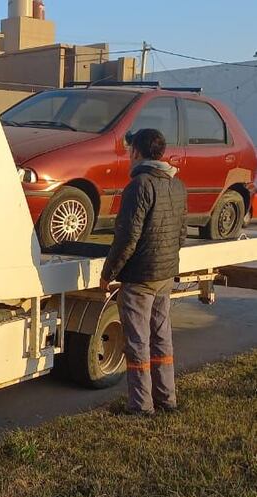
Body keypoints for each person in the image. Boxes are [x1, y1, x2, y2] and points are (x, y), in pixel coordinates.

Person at [100, 128, 188, 416]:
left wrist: (108, 273)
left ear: (136, 152)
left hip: (139, 278)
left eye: (130, 151)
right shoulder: (177, 185)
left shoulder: (138, 186)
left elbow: (127, 238)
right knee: (161, 338)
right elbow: (181, 234)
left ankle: (141, 407)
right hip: (165, 274)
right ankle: (167, 400)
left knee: (138, 342)